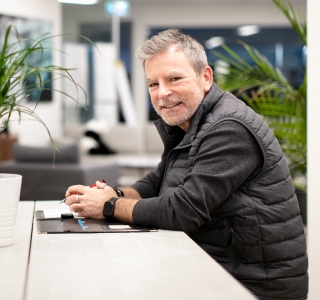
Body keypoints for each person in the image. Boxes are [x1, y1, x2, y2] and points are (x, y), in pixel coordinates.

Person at [64, 29, 308, 300]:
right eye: (153, 84)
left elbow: (183, 210)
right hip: (212, 267)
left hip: (251, 284)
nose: (162, 93)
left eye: (174, 78)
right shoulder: (189, 123)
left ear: (205, 77)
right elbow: (156, 182)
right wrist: (112, 194)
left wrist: (108, 206)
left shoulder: (229, 128)